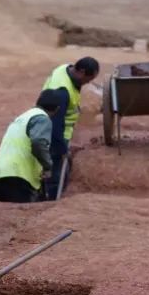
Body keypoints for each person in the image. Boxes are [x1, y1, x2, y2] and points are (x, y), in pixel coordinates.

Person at [0, 89, 69, 203]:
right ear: (57, 109)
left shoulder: (23, 117)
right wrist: (48, 166)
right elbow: (38, 141)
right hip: (17, 179)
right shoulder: (42, 119)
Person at [40, 56, 100, 199]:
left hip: (53, 125)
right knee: (57, 170)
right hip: (53, 132)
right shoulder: (62, 92)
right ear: (82, 72)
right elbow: (55, 124)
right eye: (88, 79)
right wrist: (61, 148)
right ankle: (51, 199)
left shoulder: (65, 68)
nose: (88, 83)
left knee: (59, 167)